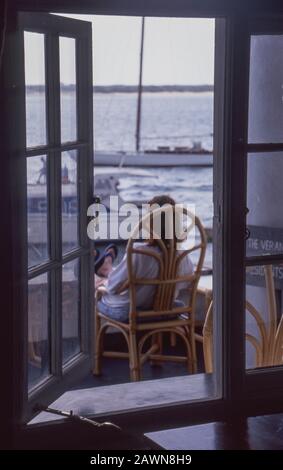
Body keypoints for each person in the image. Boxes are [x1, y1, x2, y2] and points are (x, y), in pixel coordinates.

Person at [95, 195, 194, 322]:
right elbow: (186, 282)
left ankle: (107, 269)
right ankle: (108, 268)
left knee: (100, 297)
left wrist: (104, 284)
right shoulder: (182, 256)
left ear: (150, 223)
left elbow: (113, 287)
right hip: (165, 310)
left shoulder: (138, 252)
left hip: (132, 311)